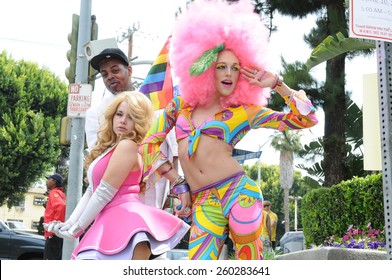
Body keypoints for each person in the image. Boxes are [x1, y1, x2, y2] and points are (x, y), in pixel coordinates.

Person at [140, 0, 318, 260]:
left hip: (239, 193)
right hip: (202, 201)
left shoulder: (244, 111)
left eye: (236, 68)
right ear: (205, 67)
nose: (229, 73)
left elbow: (307, 119)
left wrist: (278, 84)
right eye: (221, 66)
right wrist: (177, 182)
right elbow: (148, 144)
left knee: (249, 263)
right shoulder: (180, 105)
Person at [46, 91, 189, 260]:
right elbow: (92, 190)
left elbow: (103, 192)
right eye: (119, 114)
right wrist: (70, 224)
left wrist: (76, 229)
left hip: (126, 220)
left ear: (140, 122)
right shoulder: (111, 148)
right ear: (112, 116)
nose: (123, 120)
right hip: (110, 219)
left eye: (131, 117)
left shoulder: (127, 146)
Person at [86, 48, 177, 212]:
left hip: (155, 191)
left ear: (129, 70)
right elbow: (97, 154)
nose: (110, 76)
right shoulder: (95, 113)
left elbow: (172, 149)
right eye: (105, 74)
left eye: (115, 70)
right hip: (117, 195)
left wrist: (174, 190)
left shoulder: (154, 104)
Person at [43, 172, 66, 260]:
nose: (47, 181)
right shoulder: (61, 193)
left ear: (54, 182)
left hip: (53, 234)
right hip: (57, 234)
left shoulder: (54, 193)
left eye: (49, 179)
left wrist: (54, 226)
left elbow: (61, 207)